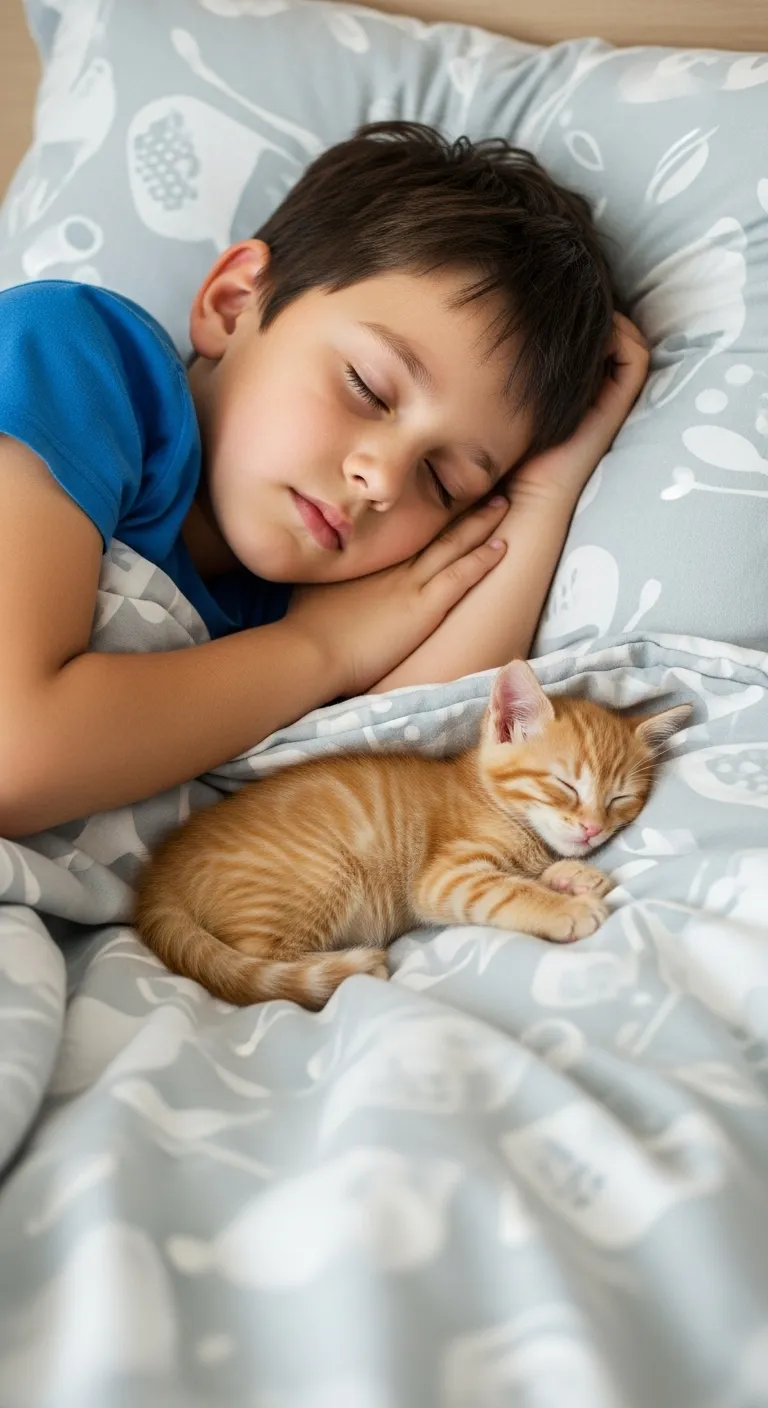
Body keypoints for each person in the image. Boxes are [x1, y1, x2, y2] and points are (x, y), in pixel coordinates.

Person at [0, 122, 648, 837]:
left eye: (443, 480)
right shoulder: (73, 357)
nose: (380, 479)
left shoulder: (288, 601)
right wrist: (321, 652)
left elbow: (403, 750)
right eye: (367, 388)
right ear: (235, 302)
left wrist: (544, 490)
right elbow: (13, 755)